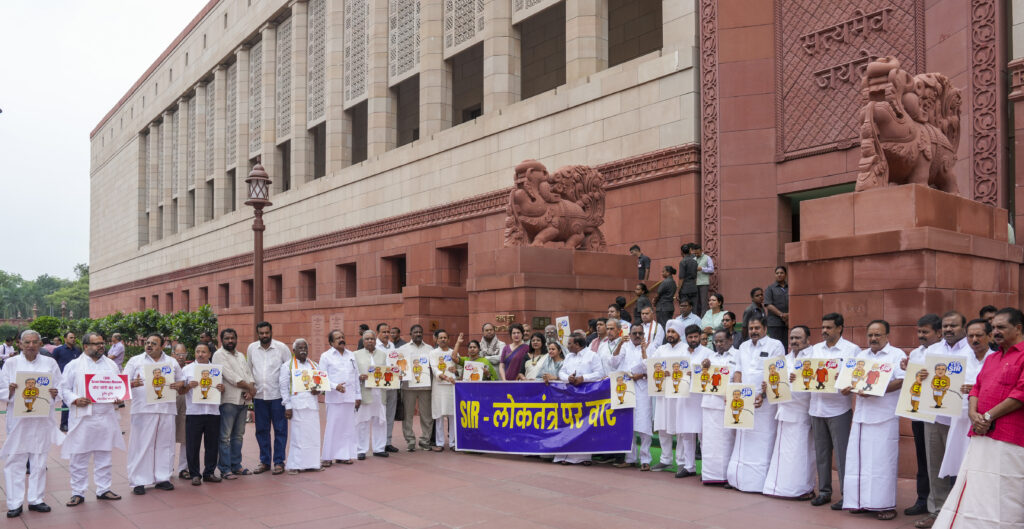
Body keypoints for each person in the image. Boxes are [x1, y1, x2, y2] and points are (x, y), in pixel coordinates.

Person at [933, 307, 1024, 528]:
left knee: (1005, 489)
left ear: (1019, 328)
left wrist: (987, 416)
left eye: (1001, 327)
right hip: (981, 432)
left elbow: (1020, 393)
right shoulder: (993, 358)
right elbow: (976, 389)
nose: (996, 332)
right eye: (994, 328)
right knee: (978, 486)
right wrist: (975, 415)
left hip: (1010, 436)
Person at [907, 311, 969, 527]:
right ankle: (937, 512)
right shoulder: (932, 351)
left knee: (964, 465)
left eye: (953, 325)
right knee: (935, 466)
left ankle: (963, 511)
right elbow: (917, 377)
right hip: (935, 416)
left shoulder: (973, 349)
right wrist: (919, 375)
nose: (949, 329)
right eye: (945, 326)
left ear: (964, 327)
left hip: (963, 419)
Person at [841, 320, 905, 520]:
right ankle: (859, 502)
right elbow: (850, 380)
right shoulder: (861, 356)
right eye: (870, 335)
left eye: (878, 335)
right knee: (858, 463)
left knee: (882, 464)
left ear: (887, 335)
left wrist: (878, 390)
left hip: (885, 417)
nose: (873, 339)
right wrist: (845, 388)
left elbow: (902, 380)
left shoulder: (897, 355)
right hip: (862, 416)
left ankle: (885, 505)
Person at [60, 331, 125, 507]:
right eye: (97, 344)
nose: (101, 346)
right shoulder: (74, 365)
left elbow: (118, 387)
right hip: (83, 417)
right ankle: (77, 492)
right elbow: (64, 389)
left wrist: (119, 397)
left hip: (105, 416)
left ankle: (103, 489)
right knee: (79, 457)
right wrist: (74, 399)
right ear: (86, 346)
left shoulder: (111, 364)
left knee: (104, 455)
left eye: (102, 343)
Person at [2, 330, 60, 517]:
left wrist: (54, 394)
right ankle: (14, 503)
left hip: (42, 420)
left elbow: (60, 387)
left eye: (35, 342)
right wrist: (9, 391)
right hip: (18, 421)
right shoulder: (10, 364)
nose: (31, 345)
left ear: (40, 344)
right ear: (20, 344)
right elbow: (1, 389)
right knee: (15, 460)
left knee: (39, 461)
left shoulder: (49, 363)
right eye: (27, 342)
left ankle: (36, 499)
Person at [728, 315, 785, 492]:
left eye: (757, 328)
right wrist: (737, 393)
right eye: (751, 328)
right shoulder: (743, 346)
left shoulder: (775, 345)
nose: (753, 331)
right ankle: (738, 480)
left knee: (763, 440)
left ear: (765, 329)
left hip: (765, 404)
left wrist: (763, 395)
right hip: (744, 402)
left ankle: (760, 484)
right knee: (743, 440)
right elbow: (738, 371)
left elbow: (777, 374)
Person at [809, 312, 860, 510]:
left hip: (839, 408)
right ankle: (824, 491)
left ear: (840, 328)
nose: (824, 331)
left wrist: (846, 379)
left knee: (842, 454)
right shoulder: (814, 349)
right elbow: (805, 372)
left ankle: (847, 494)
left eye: (829, 327)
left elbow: (856, 375)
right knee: (821, 453)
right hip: (816, 407)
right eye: (823, 328)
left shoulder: (852, 350)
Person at [124, 333, 184, 495]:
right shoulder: (135, 361)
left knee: (165, 445)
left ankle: (162, 478)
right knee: (141, 445)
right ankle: (138, 480)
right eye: (147, 342)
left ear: (162, 346)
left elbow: (181, 381)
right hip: (143, 409)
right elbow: (121, 382)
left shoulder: (171, 362)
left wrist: (179, 384)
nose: (149, 345)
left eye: (154, 343)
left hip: (166, 409)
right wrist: (132, 384)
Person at [937, 319, 994, 485]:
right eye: (970, 336)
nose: (974, 340)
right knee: (958, 463)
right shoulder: (957, 359)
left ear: (989, 336)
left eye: (979, 335)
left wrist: (977, 390)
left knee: (981, 464)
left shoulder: (996, 359)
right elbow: (938, 377)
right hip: (959, 418)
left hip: (985, 420)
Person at [762, 325, 816, 500]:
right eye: (792, 338)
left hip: (802, 411)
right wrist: (767, 386)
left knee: (801, 452)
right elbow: (775, 383)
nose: (794, 341)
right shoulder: (783, 360)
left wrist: (799, 378)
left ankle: (801, 488)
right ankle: (780, 486)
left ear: (808, 340)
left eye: (798, 338)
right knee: (783, 452)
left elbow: (817, 381)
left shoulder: (814, 358)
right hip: (784, 410)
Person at [902, 314, 942, 517]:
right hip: (918, 412)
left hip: (940, 414)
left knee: (941, 461)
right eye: (919, 331)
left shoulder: (945, 352)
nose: (921, 335)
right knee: (923, 458)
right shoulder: (915, 353)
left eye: (925, 332)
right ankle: (922, 498)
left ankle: (942, 502)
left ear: (938, 332)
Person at [657, 323, 710, 477]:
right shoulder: (681, 355)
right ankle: (689, 466)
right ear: (686, 338)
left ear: (700, 336)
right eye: (690, 337)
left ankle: (706, 469)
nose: (693, 339)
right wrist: (668, 373)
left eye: (695, 336)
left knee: (702, 434)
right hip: (683, 396)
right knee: (686, 433)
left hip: (699, 397)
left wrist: (707, 366)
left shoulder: (708, 353)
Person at [247, 321, 292, 475]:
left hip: (278, 396)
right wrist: (250, 388)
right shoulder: (252, 348)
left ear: (271, 332)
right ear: (257, 334)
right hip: (259, 396)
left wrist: (289, 396)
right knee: (261, 430)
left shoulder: (281, 348)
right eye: (262, 333)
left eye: (267, 333)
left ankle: (279, 462)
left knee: (280, 429)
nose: (264, 335)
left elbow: (289, 370)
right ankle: (265, 461)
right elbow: (249, 370)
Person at [609, 323, 654, 470]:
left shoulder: (650, 347)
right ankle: (630, 458)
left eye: (640, 333)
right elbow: (613, 363)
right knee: (629, 424)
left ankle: (645, 459)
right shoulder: (625, 346)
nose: (637, 336)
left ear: (644, 334)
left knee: (644, 425)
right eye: (634, 333)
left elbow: (651, 369)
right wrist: (620, 343)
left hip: (642, 387)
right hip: (626, 388)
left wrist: (643, 351)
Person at [212, 328, 255, 479]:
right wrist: (250, 387)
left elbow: (248, 374)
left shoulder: (240, 355)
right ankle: (225, 468)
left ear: (236, 339)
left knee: (238, 435)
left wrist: (250, 390)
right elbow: (231, 377)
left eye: (232, 338)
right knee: (225, 436)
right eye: (227, 338)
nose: (230, 341)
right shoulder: (218, 355)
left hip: (242, 401)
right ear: (221, 340)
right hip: (228, 401)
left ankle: (236, 465)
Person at [555, 335, 605, 465]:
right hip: (570, 395)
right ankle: (565, 456)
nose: (567, 346)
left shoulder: (592, 356)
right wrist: (568, 378)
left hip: (587, 395)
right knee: (568, 424)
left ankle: (583, 457)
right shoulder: (568, 356)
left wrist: (583, 378)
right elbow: (562, 372)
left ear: (578, 345)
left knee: (584, 426)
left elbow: (599, 373)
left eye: (570, 343)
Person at [278, 338, 323, 474]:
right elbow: (284, 387)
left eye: (305, 348)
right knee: (298, 437)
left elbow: (320, 383)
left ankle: (313, 463)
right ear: (294, 350)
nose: (303, 350)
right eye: (300, 348)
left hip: (312, 405)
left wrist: (318, 390)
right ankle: (295, 465)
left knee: (313, 436)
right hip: (296, 406)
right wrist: (287, 406)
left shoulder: (314, 365)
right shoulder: (287, 366)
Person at [182, 342, 224, 485]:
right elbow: (181, 390)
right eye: (197, 351)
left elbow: (221, 389)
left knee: (212, 444)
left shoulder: (216, 370)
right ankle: (194, 474)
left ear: (209, 354)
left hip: (213, 412)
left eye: (203, 352)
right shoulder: (187, 370)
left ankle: (209, 473)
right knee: (193, 445)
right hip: (194, 412)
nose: (200, 354)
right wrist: (188, 386)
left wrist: (221, 387)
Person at [700, 329, 739, 485]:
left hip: (726, 404)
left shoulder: (738, 355)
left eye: (721, 341)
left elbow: (739, 378)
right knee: (708, 441)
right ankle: (709, 475)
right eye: (716, 341)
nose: (718, 344)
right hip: (709, 404)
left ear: (730, 340)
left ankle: (726, 475)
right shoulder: (710, 357)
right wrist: (704, 368)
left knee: (726, 440)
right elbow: (702, 378)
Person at [320, 330, 361, 466]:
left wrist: (358, 396)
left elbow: (355, 376)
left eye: (342, 337)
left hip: (349, 397)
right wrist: (334, 386)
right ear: (331, 342)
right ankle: (327, 456)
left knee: (347, 428)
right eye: (337, 338)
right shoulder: (326, 356)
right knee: (333, 427)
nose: (341, 339)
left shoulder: (351, 355)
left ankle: (343, 455)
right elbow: (321, 377)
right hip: (334, 398)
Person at [398, 325, 434, 451]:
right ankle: (410, 441)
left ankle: (425, 440)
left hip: (426, 387)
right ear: (410, 334)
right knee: (408, 415)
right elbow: (399, 366)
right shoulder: (403, 349)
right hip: (408, 387)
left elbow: (434, 366)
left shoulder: (430, 349)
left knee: (426, 415)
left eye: (420, 332)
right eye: (415, 332)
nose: (418, 334)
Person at [354, 330, 387, 459]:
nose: (369, 341)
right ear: (363, 341)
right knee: (363, 421)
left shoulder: (383, 354)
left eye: (372, 339)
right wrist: (359, 376)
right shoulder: (356, 355)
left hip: (380, 392)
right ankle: (361, 449)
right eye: (367, 339)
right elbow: (352, 372)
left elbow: (387, 371)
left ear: (375, 340)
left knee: (380, 421)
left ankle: (379, 448)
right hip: (365, 392)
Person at [430, 330, 461, 451]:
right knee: (439, 415)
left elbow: (460, 368)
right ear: (436, 340)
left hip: (452, 387)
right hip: (439, 387)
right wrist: (446, 377)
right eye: (440, 338)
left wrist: (456, 372)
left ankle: (453, 443)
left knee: (452, 415)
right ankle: (440, 443)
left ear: (448, 340)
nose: (443, 339)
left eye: (445, 337)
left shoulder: (453, 353)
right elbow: (434, 369)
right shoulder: (433, 353)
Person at [374, 323, 400, 453]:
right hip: (380, 386)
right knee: (380, 415)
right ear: (377, 333)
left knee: (390, 414)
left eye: (388, 332)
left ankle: (388, 441)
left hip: (392, 384)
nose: (386, 334)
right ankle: (379, 443)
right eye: (383, 332)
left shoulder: (392, 346)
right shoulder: (374, 346)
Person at [52, 330, 81, 432]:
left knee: (76, 400)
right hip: (63, 379)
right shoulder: (58, 350)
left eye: (74, 338)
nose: (73, 339)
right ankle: (64, 424)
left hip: (76, 379)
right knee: (65, 402)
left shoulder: (78, 350)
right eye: (71, 337)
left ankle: (75, 422)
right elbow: (53, 364)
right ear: (65, 339)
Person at [171, 344, 189, 478]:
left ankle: (184, 468)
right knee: (168, 437)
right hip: (170, 405)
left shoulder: (190, 369)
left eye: (183, 355)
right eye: (178, 354)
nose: (180, 357)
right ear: (172, 354)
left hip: (187, 405)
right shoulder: (167, 367)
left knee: (185, 437)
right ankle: (167, 468)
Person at [764, 266, 790, 342]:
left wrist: (788, 315)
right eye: (777, 273)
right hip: (774, 323)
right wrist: (781, 314)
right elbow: (768, 304)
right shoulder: (770, 288)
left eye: (781, 273)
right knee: (776, 345)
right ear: (775, 275)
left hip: (789, 321)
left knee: (787, 345)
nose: (779, 275)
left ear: (785, 275)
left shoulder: (790, 287)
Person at [692, 243, 714, 316]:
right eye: (695, 253)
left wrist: (702, 269)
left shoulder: (707, 258)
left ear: (701, 250)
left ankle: (703, 319)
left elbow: (711, 269)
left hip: (704, 283)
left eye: (697, 253)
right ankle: (696, 318)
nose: (696, 254)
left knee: (703, 303)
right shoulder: (693, 259)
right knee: (695, 303)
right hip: (695, 283)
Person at [677, 243, 698, 310]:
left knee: (684, 309)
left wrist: (677, 291)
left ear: (682, 252)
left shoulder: (683, 262)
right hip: (694, 287)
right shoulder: (695, 262)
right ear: (689, 250)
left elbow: (681, 278)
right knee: (694, 309)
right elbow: (695, 277)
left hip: (685, 289)